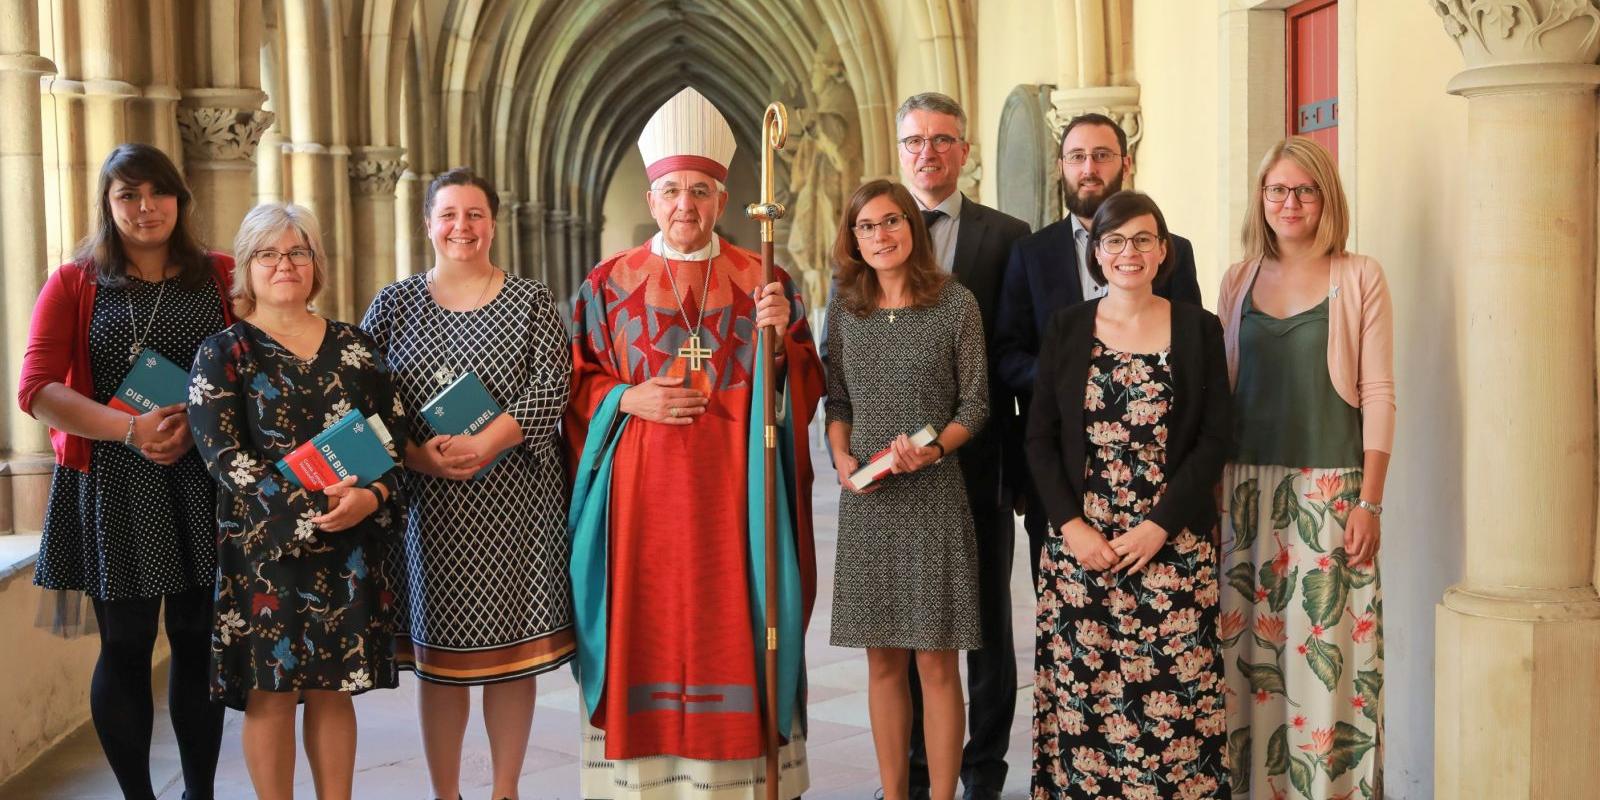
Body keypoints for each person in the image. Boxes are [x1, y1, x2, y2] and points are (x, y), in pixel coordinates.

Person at [565, 86, 826, 799]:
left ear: (724, 197)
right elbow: (578, 385)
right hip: (640, 505)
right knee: (644, 622)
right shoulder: (606, 284)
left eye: (702, 191)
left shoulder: (763, 278)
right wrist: (628, 396)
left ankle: (735, 774)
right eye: (674, 190)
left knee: (734, 619)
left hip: (734, 498)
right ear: (652, 198)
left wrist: (780, 346)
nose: (687, 205)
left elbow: (802, 382)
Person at [16, 142, 230, 800]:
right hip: (114, 483)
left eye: (158, 193)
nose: (145, 208)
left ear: (180, 200)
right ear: (108, 206)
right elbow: (36, 387)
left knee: (198, 645)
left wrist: (196, 434)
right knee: (127, 645)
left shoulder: (219, 275)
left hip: (202, 479)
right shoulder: (76, 282)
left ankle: (199, 794)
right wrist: (130, 429)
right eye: (128, 195)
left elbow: (255, 369)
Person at [360, 167, 574, 800]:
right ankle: (446, 793)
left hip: (514, 502)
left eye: (475, 214)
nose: (462, 227)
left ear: (494, 223)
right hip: (429, 510)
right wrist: (416, 456)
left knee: (512, 658)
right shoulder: (394, 304)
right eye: (449, 215)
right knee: (440, 664)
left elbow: (549, 390)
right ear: (428, 224)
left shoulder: (532, 301)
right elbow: (363, 397)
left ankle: (505, 789)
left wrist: (487, 442)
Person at [187, 203, 406, 800]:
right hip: (264, 552)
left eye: (298, 252)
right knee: (272, 692)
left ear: (316, 265)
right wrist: (316, 508)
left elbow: (394, 442)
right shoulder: (223, 353)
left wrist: (369, 497)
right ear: (247, 267)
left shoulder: (358, 349)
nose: (285, 264)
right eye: (268, 253)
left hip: (349, 545)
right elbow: (224, 458)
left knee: (334, 688)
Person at [1024, 190, 1231, 799]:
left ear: (1163, 251)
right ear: (1097, 253)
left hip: (1171, 546)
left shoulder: (1198, 328)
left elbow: (1216, 437)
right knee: (1084, 709)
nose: (1129, 252)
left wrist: (1160, 525)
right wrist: (1072, 527)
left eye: (1143, 239)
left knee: (1174, 712)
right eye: (1114, 241)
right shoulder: (1067, 328)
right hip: (1081, 552)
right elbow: (1038, 439)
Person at [1217, 136, 1392, 798]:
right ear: (1261, 201)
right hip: (1244, 498)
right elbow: (1221, 395)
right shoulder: (1236, 281)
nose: (1289, 203)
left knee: (1328, 664)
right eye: (1277, 191)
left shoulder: (1360, 275)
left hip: (1331, 496)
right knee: (1248, 664)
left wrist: (1369, 502)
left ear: (1327, 199)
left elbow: (1378, 393)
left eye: (1304, 190)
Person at [825, 179, 987, 800]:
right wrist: (840, 455)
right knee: (883, 659)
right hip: (868, 501)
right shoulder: (846, 306)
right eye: (866, 227)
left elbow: (976, 404)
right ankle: (895, 794)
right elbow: (836, 398)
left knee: (936, 661)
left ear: (911, 228)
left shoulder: (954, 304)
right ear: (853, 238)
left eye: (891, 222)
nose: (880, 236)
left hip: (934, 498)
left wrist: (934, 448)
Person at [995, 113, 1203, 589]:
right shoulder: (1031, 254)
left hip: (1161, 485)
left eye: (1102, 155)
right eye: (1077, 156)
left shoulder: (1174, 253)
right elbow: (1006, 354)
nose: (1089, 167)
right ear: (1062, 167)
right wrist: (1071, 380)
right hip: (1061, 480)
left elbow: (1195, 365)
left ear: (1125, 163)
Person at [892, 91, 1031, 800]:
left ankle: (983, 773)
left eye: (942, 140)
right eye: (915, 140)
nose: (928, 152)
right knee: (914, 629)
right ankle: (920, 771)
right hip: (896, 473)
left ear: (964, 151)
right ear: (900, 150)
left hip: (976, 465)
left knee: (987, 631)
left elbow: (1016, 351)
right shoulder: (872, 229)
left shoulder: (1007, 236)